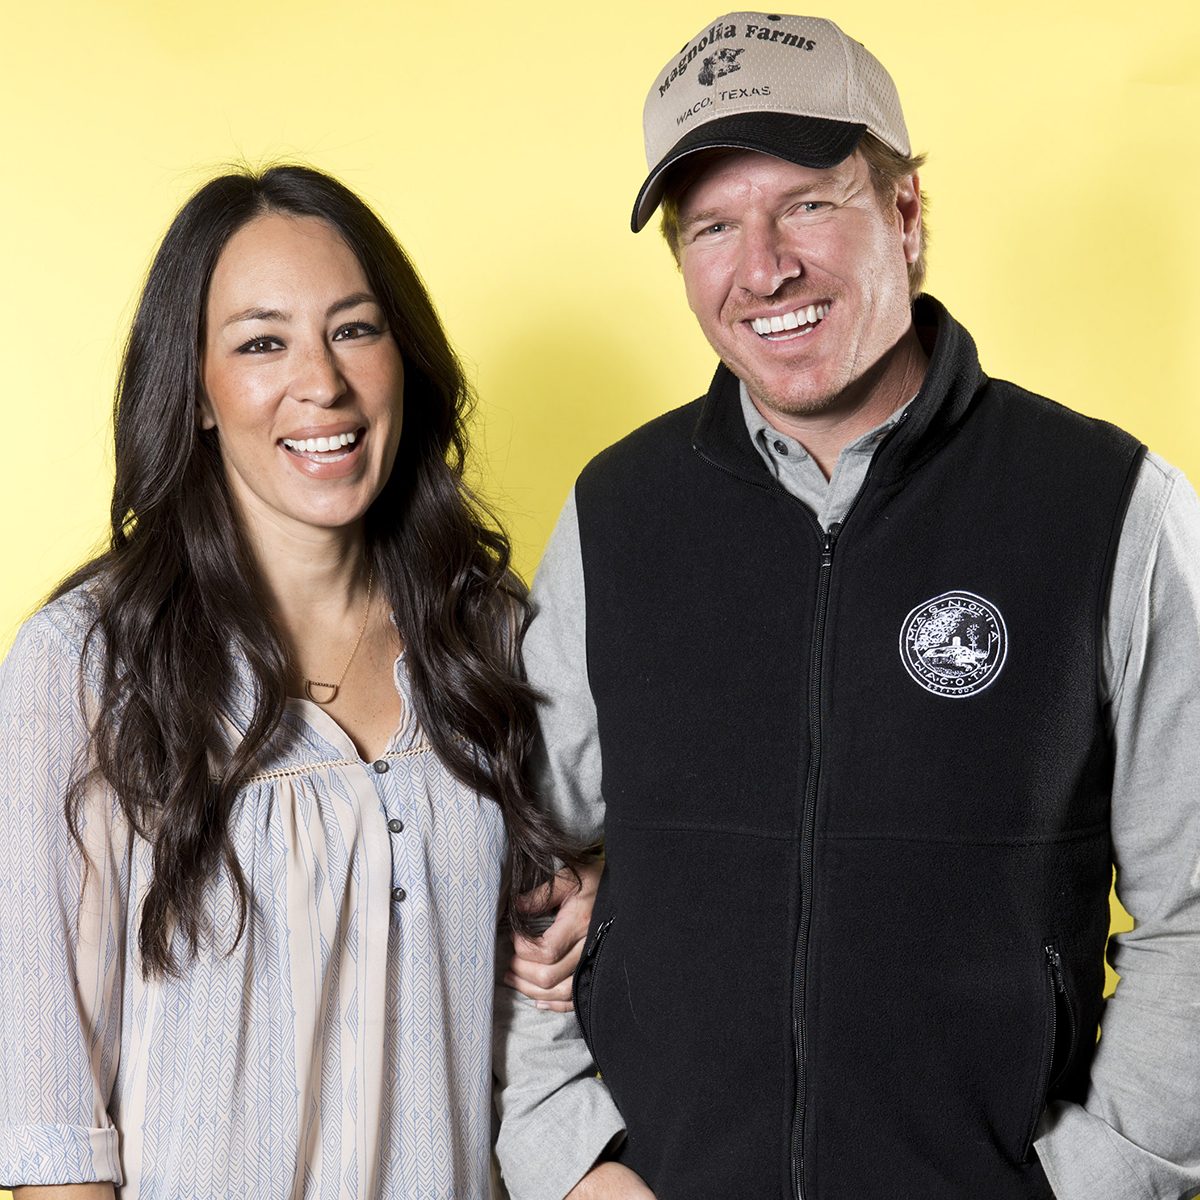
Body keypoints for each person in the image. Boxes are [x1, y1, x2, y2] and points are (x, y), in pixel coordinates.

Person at [493, 13, 1200, 1200]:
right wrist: (568, 1152)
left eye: (809, 204)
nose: (762, 267)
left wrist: (1104, 1181)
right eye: (712, 225)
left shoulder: (1110, 506)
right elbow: (525, 880)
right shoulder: (617, 515)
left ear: (908, 215)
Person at [0, 164, 587, 1198]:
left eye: (354, 329)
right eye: (262, 342)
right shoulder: (87, 669)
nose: (321, 381)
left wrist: (592, 899)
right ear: (198, 392)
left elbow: (544, 1002)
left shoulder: (489, 638)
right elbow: (51, 1127)